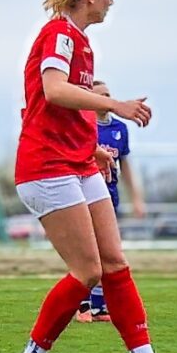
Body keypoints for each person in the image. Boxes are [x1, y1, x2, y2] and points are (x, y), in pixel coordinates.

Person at [9, 0, 177, 353]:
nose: (111, 0)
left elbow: (59, 108)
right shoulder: (59, 34)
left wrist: (91, 148)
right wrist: (114, 105)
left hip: (76, 163)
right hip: (46, 167)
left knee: (114, 264)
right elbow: (53, 91)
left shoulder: (82, 42)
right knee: (87, 271)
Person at [74, 79, 147, 323]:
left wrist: (136, 198)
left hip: (110, 195)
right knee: (87, 250)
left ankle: (99, 306)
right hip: (84, 194)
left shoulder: (119, 129)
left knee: (108, 251)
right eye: (101, 95)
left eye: (108, 94)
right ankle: (82, 304)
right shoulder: (83, 127)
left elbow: (125, 165)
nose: (106, 98)